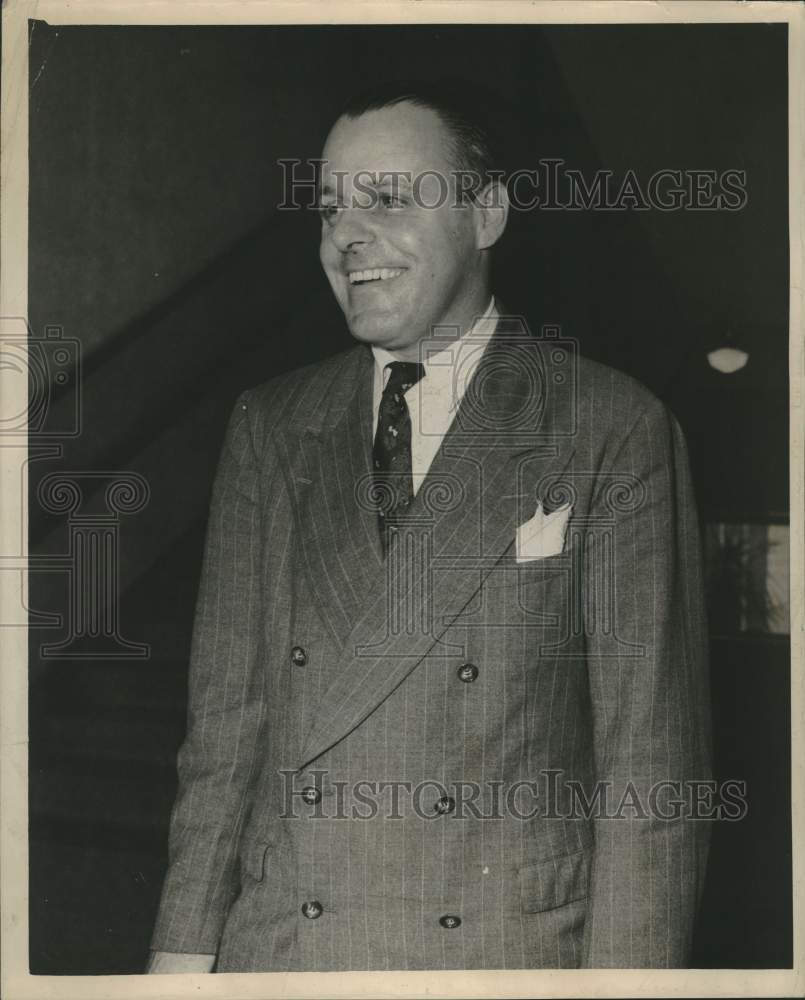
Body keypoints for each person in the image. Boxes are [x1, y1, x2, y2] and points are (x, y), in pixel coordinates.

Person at [147, 80, 711, 973]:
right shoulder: (270, 422)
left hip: (499, 952)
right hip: (286, 949)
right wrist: (179, 957)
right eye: (330, 207)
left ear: (486, 216)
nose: (344, 234)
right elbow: (224, 737)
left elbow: (649, 773)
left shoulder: (609, 427)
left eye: (387, 200)